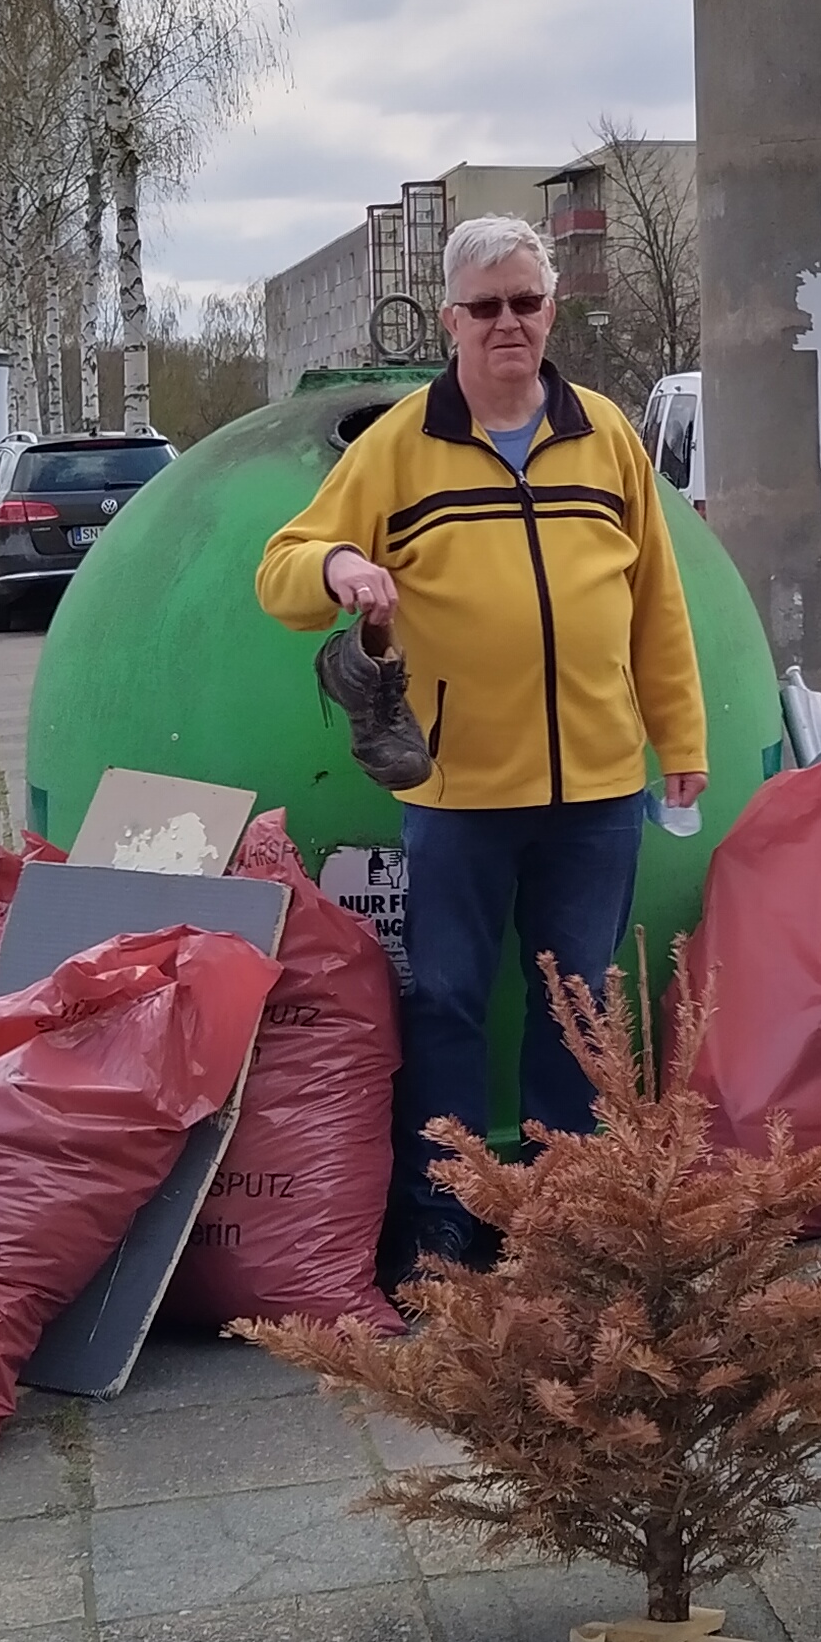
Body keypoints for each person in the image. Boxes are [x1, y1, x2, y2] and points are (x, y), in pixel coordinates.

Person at [257, 217, 708, 1270]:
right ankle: (443, 1214)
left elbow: (658, 606)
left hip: (597, 787)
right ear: (451, 321)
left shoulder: (605, 436)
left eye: (525, 302)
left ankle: (566, 1214)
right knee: (450, 1000)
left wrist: (677, 735)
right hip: (457, 791)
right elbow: (281, 567)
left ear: (550, 311)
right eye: (485, 307)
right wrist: (336, 570)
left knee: (578, 1005)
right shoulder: (402, 444)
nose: (508, 323)